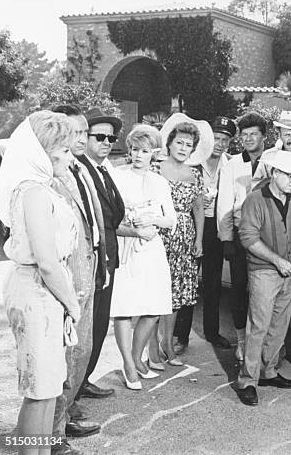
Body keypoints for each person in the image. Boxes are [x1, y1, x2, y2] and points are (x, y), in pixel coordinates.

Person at [0, 111, 80, 454]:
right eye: (65, 150)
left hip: (45, 292)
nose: (71, 157)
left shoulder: (41, 188)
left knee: (48, 388)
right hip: (36, 291)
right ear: (43, 152)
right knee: (39, 391)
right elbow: (46, 262)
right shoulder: (33, 192)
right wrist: (73, 304)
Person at [236, 151, 291, 406]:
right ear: (275, 173)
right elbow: (248, 238)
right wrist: (277, 260)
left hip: (289, 271)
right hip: (264, 272)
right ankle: (247, 380)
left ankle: (268, 372)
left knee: (279, 324)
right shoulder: (255, 200)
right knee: (258, 326)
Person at [50, 105, 106, 448]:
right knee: (64, 353)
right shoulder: (51, 174)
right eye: (75, 132)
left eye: (85, 132)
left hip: (90, 267)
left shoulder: (81, 169)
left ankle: (66, 415)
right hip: (68, 274)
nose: (81, 139)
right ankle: (53, 434)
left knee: (81, 349)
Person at [110, 125, 176, 389]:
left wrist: (154, 219)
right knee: (124, 307)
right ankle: (128, 364)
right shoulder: (117, 176)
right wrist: (132, 223)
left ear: (154, 154)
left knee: (153, 306)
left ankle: (138, 359)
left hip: (151, 247)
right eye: (135, 149)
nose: (138, 155)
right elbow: (111, 215)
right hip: (126, 244)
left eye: (145, 151)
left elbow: (170, 219)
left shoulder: (159, 182)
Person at [147, 118, 206, 367]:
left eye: (188, 145)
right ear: (169, 144)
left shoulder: (194, 174)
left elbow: (199, 209)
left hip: (185, 238)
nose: (183, 148)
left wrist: (199, 240)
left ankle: (168, 344)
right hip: (160, 235)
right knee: (154, 293)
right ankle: (150, 349)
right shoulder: (156, 169)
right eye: (179, 142)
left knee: (176, 295)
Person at [76, 108, 125, 400]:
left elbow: (113, 215)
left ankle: (83, 380)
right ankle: (71, 398)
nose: (107, 142)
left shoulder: (103, 170)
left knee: (97, 325)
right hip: (92, 262)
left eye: (111, 137)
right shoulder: (80, 170)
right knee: (85, 331)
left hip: (107, 260)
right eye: (100, 137)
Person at [216, 112, 267, 361]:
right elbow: (225, 202)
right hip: (239, 234)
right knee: (239, 289)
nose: (248, 139)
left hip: (267, 236)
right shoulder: (232, 164)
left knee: (263, 292)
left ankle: (265, 344)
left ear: (264, 137)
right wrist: (226, 238)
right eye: (244, 135)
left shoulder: (273, 161)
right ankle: (242, 341)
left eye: (253, 134)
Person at [195, 116, 236, 349]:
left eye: (225, 140)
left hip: (218, 226)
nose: (219, 144)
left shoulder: (229, 165)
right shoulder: (194, 162)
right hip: (195, 226)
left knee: (213, 281)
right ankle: (180, 335)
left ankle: (212, 332)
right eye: (216, 138)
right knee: (189, 279)